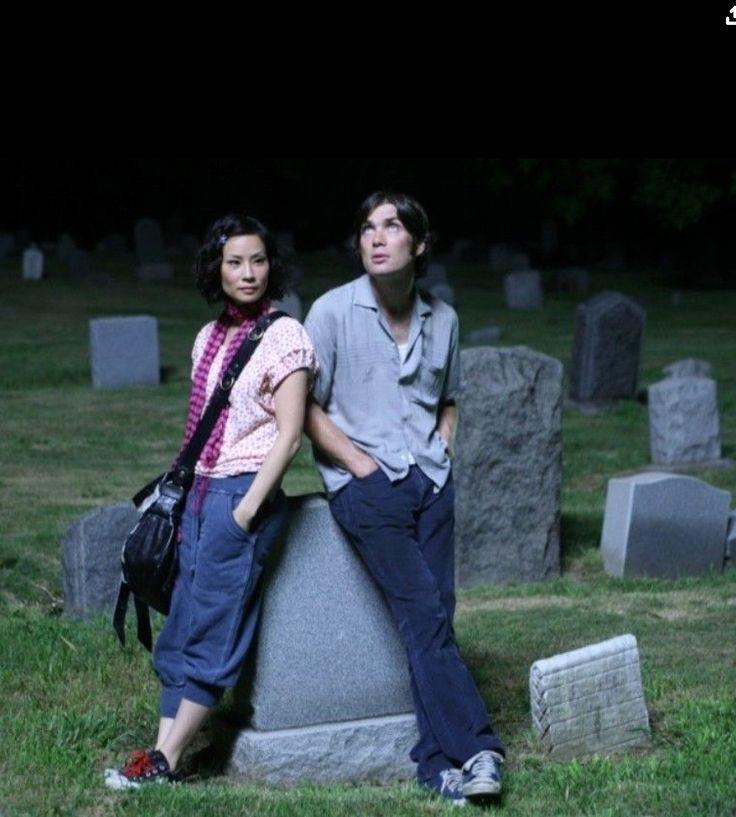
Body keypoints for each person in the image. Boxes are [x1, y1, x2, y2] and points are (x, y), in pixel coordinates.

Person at [303, 191, 506, 806]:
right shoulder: (331, 312)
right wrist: (359, 465)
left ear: (419, 244)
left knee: (435, 616)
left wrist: (443, 444)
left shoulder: (444, 319)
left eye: (391, 227)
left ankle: (434, 765)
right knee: (423, 614)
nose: (376, 237)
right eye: (368, 228)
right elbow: (303, 407)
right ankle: (479, 750)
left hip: (431, 481)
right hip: (367, 487)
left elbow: (449, 397)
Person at [105, 214, 316, 788]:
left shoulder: (286, 337)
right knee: (183, 623)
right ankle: (161, 755)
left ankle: (166, 757)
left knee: (214, 626)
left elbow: (290, 435)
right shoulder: (208, 336)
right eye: (235, 262)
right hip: (198, 492)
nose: (248, 273)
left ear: (271, 267)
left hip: (241, 494)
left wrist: (246, 511)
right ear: (215, 270)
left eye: (258, 261)